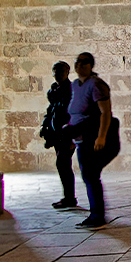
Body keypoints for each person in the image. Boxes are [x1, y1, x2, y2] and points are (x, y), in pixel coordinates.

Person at [67, 51, 119, 228]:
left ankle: (97, 215)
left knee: (91, 176)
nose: (80, 65)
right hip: (80, 138)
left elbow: (105, 112)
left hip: (92, 137)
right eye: (77, 62)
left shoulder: (96, 84)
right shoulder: (75, 85)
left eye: (84, 62)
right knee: (89, 175)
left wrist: (101, 136)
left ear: (91, 65)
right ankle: (96, 213)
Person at [38, 61, 77, 209]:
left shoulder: (72, 90)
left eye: (61, 71)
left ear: (67, 72)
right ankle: (68, 197)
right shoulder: (54, 90)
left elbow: (74, 112)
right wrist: (45, 124)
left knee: (63, 163)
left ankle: (70, 198)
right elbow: (52, 109)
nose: (58, 74)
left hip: (67, 133)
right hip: (56, 133)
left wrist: (73, 135)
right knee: (63, 164)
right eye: (55, 71)